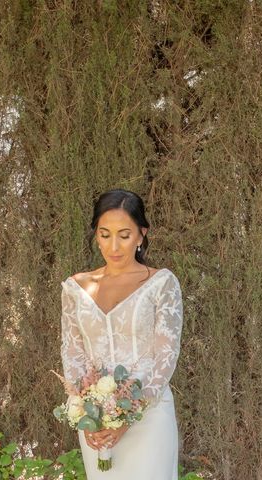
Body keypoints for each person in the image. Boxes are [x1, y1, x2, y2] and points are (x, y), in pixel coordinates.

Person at [59, 189, 183, 479]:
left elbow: (166, 355)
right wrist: (88, 414)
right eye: (104, 234)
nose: (113, 246)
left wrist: (128, 417)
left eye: (124, 235)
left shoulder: (161, 283)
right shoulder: (75, 288)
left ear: (141, 234)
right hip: (96, 424)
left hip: (149, 418)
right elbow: (72, 354)